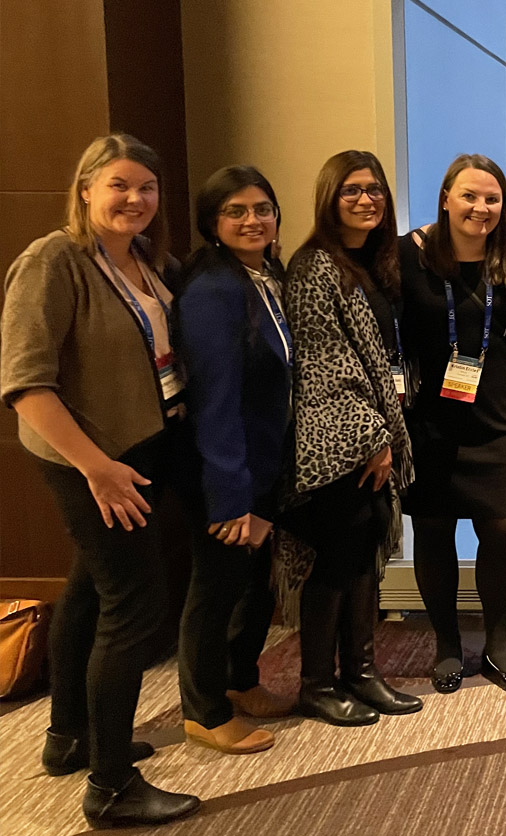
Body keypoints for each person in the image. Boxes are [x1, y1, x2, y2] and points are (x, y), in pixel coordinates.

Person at [0, 134, 200, 827]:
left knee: (89, 590)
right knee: (134, 606)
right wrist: (97, 469)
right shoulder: (54, 261)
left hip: (144, 449)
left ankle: (69, 738)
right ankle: (112, 786)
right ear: (85, 189)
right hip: (92, 462)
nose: (134, 199)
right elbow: (25, 384)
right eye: (119, 185)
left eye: (147, 187)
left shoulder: (150, 261)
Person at [280, 150, 421, 726]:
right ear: (330, 198)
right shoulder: (316, 266)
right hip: (338, 445)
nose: (367, 199)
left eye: (375, 189)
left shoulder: (372, 264)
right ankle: (317, 683)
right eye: (352, 190)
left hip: (369, 434)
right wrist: (373, 438)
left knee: (362, 554)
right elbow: (326, 364)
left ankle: (360, 673)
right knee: (336, 559)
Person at [175, 166, 298, 756]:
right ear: (212, 221)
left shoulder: (265, 275)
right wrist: (230, 497)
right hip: (227, 469)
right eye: (236, 211)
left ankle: (240, 681)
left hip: (263, 461)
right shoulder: (213, 290)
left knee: (253, 583)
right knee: (216, 588)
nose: (253, 220)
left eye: (262, 209)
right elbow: (215, 400)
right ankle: (203, 711)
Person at [399, 154, 506, 695]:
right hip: (429, 417)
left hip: (495, 412)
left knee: (501, 528)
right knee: (434, 530)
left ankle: (498, 644)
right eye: (469, 196)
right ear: (446, 199)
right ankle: (447, 644)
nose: (481, 207)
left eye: (492, 198)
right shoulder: (409, 255)